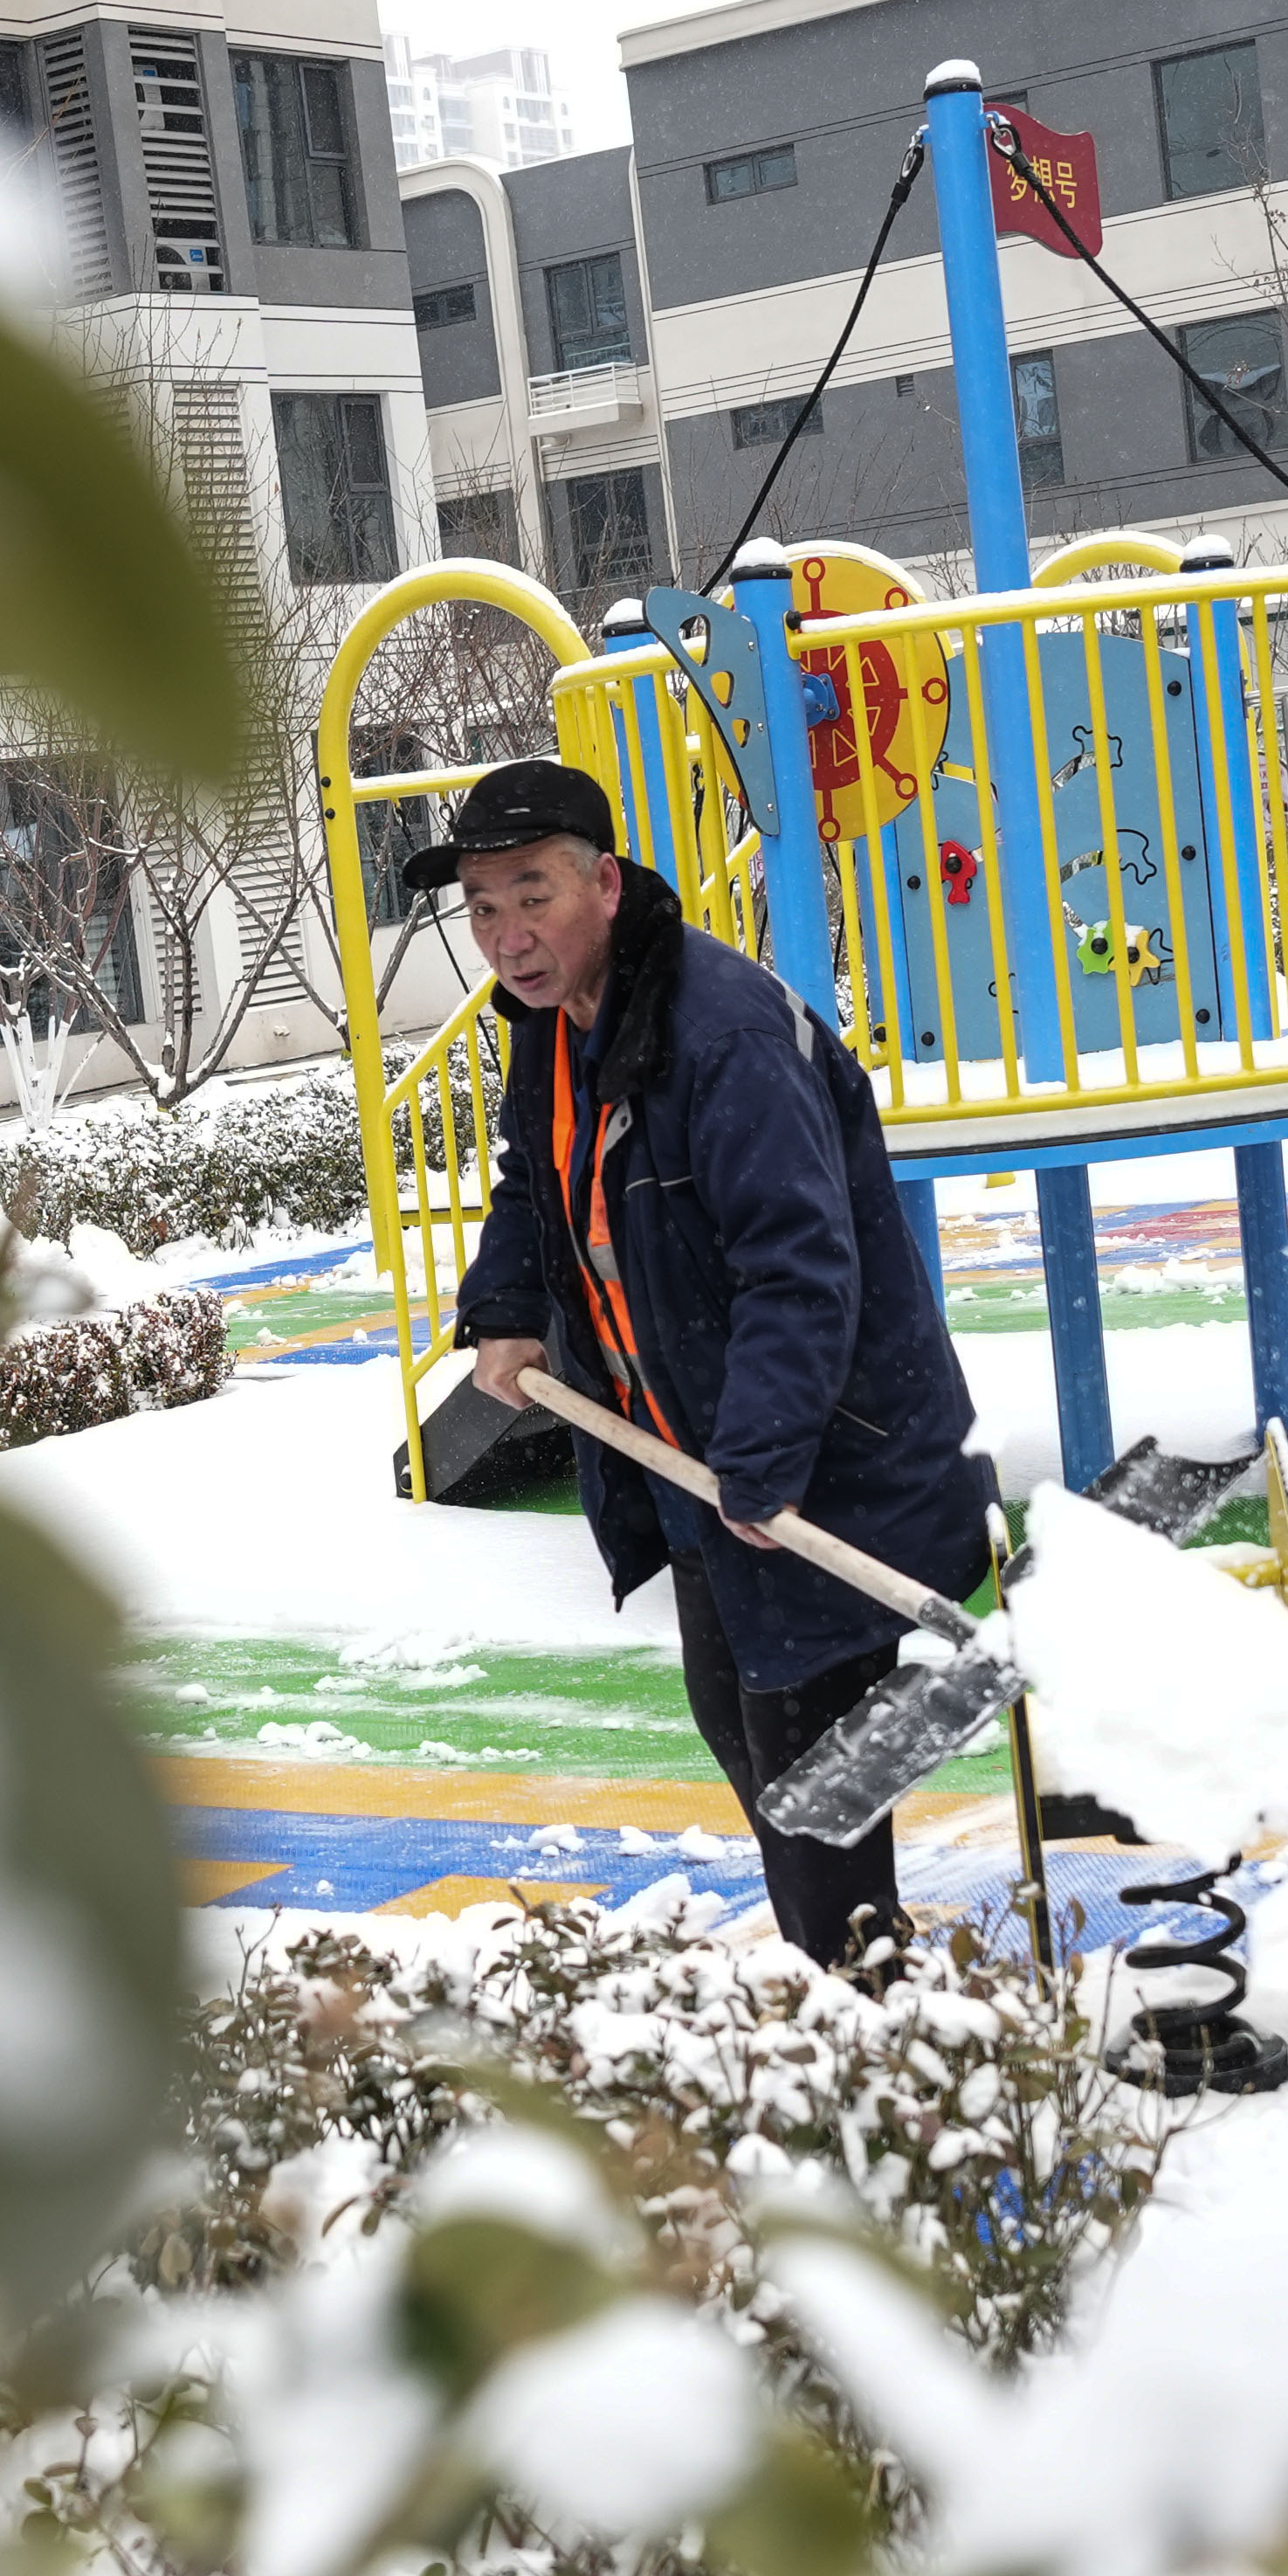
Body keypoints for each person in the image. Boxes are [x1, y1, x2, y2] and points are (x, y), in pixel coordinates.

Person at [425, 759, 990, 1969]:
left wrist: (763, 1455)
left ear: (607, 886)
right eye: (481, 907)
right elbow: (538, 1180)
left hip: (819, 1468)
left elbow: (801, 1261)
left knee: (815, 1796)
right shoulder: (559, 1027)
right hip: (696, 1471)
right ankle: (866, 2002)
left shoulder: (720, 1038)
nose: (506, 937)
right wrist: (508, 1308)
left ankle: (877, 2035)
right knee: (753, 1745)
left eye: (531, 895)